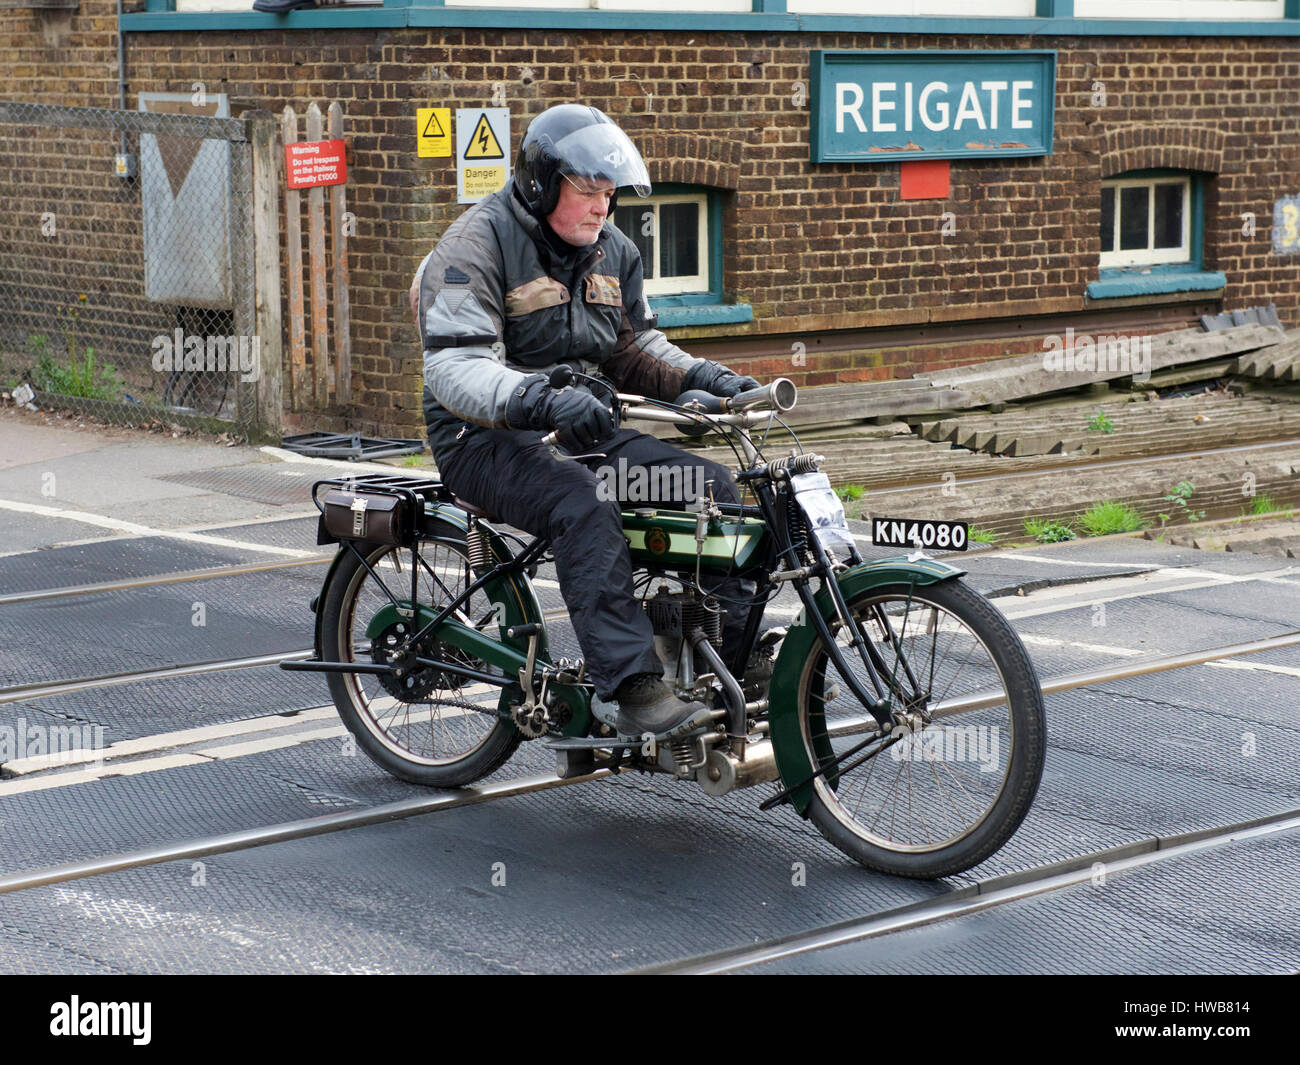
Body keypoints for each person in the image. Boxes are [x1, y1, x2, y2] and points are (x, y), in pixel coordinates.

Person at [411, 104, 760, 740]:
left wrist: (706, 378)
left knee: (713, 491)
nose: (602, 207)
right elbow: (455, 369)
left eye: (609, 195)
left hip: (581, 430)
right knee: (585, 503)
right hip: (484, 439)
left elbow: (634, 347)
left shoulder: (612, 252)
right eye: (588, 192)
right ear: (543, 184)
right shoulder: (472, 247)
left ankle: (729, 659)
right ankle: (630, 687)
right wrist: (541, 399)